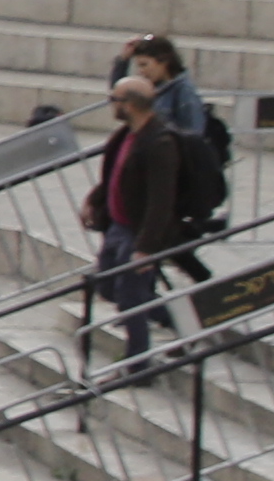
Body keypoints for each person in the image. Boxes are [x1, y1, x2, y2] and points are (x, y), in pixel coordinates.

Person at [87, 75, 212, 358]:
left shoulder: (160, 143)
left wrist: (146, 248)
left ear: (130, 105)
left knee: (132, 299)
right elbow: (114, 177)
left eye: (114, 100)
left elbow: (161, 201)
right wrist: (94, 200)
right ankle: (180, 321)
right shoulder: (126, 136)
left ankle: (138, 364)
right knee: (108, 286)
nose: (111, 105)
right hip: (119, 226)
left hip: (139, 232)